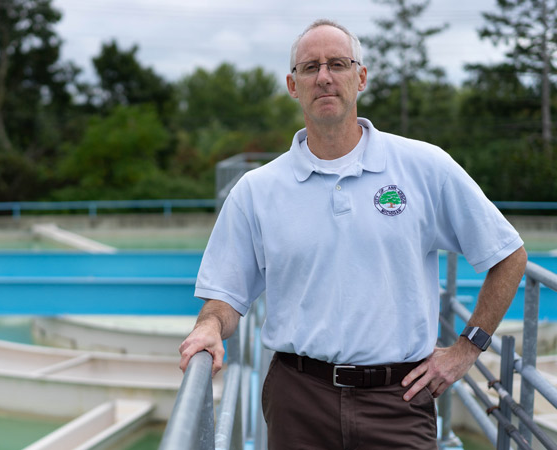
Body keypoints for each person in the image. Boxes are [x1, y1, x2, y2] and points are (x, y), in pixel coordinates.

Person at [179, 19, 528, 449]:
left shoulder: (423, 167)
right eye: (310, 67)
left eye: (338, 64)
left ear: (360, 77)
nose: (324, 77)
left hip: (399, 400)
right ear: (293, 84)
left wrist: (466, 349)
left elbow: (508, 254)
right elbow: (225, 297)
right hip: (298, 400)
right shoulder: (258, 190)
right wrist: (210, 327)